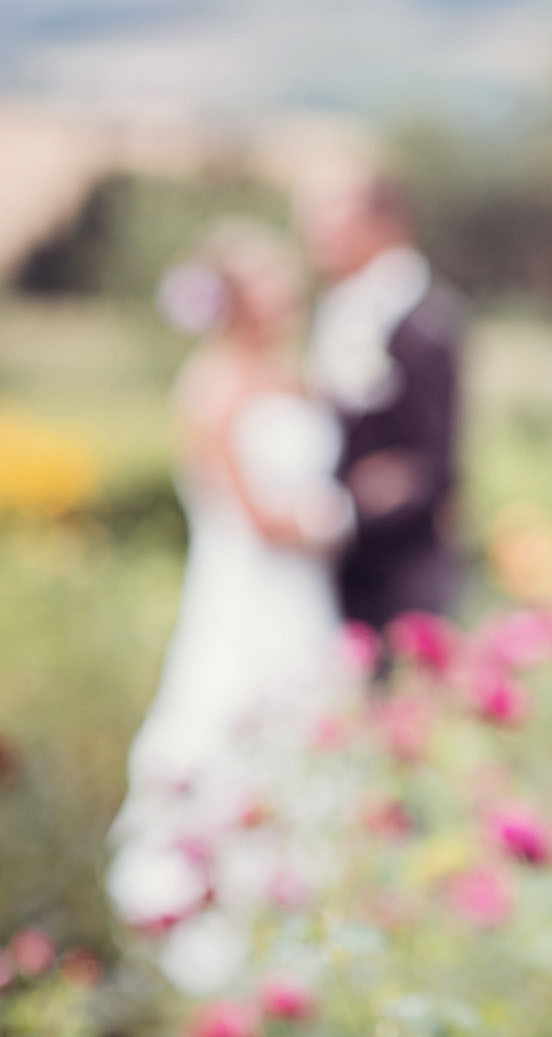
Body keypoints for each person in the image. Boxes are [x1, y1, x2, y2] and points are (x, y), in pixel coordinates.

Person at [107, 221, 353, 994]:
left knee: (310, 743)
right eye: (271, 284)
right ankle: (211, 936)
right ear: (238, 300)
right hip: (247, 595)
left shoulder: (297, 374)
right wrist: (346, 516)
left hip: (305, 598)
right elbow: (254, 516)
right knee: (229, 731)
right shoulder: (212, 385)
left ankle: (306, 932)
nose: (288, 295)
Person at [298, 173, 463, 634]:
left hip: (397, 571)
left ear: (385, 225)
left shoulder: (426, 320)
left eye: (333, 222)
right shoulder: (337, 309)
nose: (318, 234)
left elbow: (434, 464)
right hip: (330, 564)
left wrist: (344, 509)